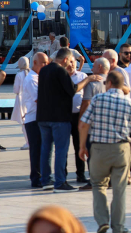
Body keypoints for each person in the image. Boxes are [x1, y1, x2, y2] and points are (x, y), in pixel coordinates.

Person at [78, 71, 131, 233]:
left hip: (99, 149)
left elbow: (84, 124)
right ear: (122, 85)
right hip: (121, 150)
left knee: (98, 185)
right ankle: (118, 226)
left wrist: (82, 147)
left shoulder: (97, 100)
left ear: (108, 84)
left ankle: (102, 221)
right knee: (119, 189)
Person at [37, 48, 97, 192]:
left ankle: (45, 180)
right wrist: (88, 79)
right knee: (61, 150)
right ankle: (60, 183)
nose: (71, 63)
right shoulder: (61, 71)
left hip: (43, 117)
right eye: (70, 60)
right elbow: (73, 89)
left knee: (46, 148)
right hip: (59, 118)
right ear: (65, 59)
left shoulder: (44, 70)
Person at [76, 58, 110, 191]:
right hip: (109, 125)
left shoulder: (93, 83)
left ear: (100, 67)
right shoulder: (112, 82)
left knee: (92, 154)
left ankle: (94, 181)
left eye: (94, 66)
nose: (91, 69)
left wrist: (81, 121)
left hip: (94, 126)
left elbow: (86, 104)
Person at [23, 53, 47, 187]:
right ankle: (36, 178)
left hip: (40, 118)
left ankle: (42, 176)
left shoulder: (39, 77)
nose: (45, 65)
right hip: (33, 119)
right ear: (35, 63)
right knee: (36, 150)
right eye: (43, 62)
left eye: (47, 62)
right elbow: (39, 99)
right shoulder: (32, 79)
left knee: (42, 149)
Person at [66, 56, 87, 183]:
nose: (71, 65)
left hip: (78, 116)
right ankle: (63, 175)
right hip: (64, 116)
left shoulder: (82, 76)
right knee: (62, 147)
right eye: (69, 62)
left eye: (73, 62)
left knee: (79, 146)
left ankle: (81, 174)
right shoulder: (61, 76)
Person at [13, 56, 30, 150]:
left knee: (24, 123)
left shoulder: (19, 75)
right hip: (30, 100)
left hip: (21, 100)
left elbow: (16, 90)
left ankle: (28, 142)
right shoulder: (32, 73)